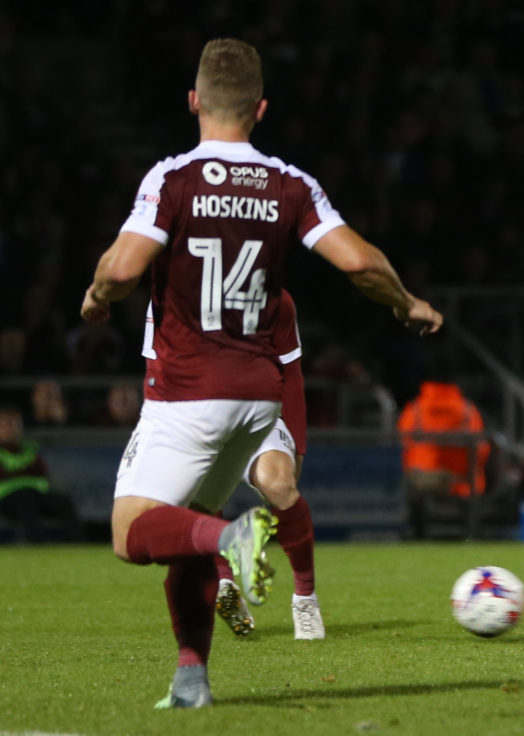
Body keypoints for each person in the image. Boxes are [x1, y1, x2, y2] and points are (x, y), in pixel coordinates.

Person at [80, 38, 442, 708]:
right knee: (185, 526)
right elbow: (359, 263)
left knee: (131, 532)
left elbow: (123, 269)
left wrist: (97, 299)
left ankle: (232, 536)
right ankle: (192, 678)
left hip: (188, 388)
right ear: (261, 108)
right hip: (258, 396)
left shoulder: (173, 177)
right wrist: (408, 303)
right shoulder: (288, 183)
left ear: (194, 101)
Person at [212, 289, 325, 640]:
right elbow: (157, 362)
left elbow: (291, 372)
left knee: (279, 485)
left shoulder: (274, 297)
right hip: (196, 408)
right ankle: (224, 583)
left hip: (259, 408)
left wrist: (298, 443)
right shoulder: (170, 295)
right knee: (195, 497)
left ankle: (305, 599)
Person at [397, 373, 490, 538]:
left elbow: (401, 445)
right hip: (461, 480)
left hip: (423, 480)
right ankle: (470, 534)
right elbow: (481, 448)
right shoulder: (467, 409)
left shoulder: (415, 409)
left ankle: (418, 535)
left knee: (412, 488)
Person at [0, 405, 79, 543]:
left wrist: (15, 472)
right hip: (7, 497)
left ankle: (78, 544)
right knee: (26, 503)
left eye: (15, 425)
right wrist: (25, 471)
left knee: (64, 502)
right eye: (6, 425)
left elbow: (42, 472)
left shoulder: (30, 448)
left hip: (36, 493)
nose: (11, 429)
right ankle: (34, 544)